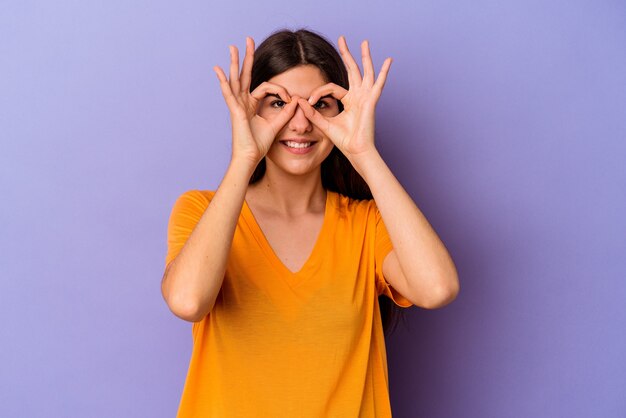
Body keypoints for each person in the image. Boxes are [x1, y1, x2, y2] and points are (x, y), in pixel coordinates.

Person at [161, 28, 459, 417]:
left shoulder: (365, 225)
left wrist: (364, 153)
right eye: (277, 103)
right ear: (249, 109)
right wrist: (243, 158)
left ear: (342, 112)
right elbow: (187, 301)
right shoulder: (201, 210)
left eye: (320, 105)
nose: (300, 123)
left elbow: (437, 288)